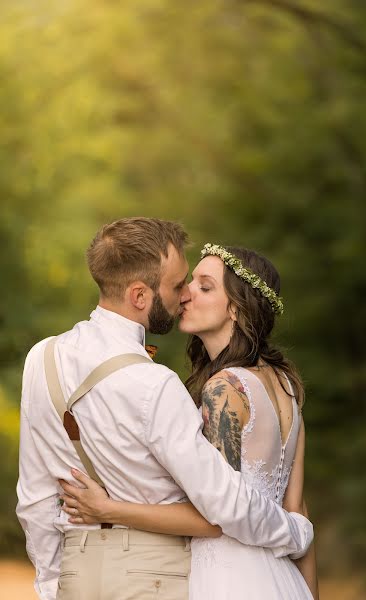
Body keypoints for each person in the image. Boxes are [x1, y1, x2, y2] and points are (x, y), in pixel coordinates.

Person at [16, 218, 313, 600]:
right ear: (140, 296)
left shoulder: (42, 358)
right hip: (156, 575)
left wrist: (54, 584)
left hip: (77, 571)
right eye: (177, 285)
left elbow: (35, 498)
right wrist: (297, 532)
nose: (183, 296)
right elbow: (222, 507)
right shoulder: (156, 385)